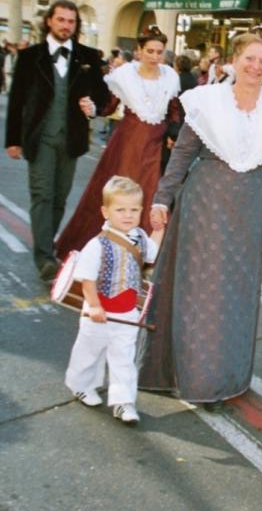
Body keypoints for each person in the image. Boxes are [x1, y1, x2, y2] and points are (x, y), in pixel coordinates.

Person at [138, 33, 262, 411]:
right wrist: (162, 197)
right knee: (200, 291)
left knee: (234, 294)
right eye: (249, 58)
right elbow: (184, 154)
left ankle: (224, 375)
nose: (256, 67)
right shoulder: (207, 101)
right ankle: (194, 377)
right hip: (204, 204)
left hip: (247, 205)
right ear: (234, 60)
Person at [5, 0, 110, 281]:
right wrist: (12, 139)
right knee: (42, 194)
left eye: (71, 21)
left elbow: (102, 95)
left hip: (72, 139)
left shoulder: (88, 57)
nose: (66, 25)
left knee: (60, 198)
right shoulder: (30, 57)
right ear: (49, 21)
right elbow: (17, 101)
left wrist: (95, 107)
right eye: (61, 19)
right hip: (40, 137)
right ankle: (44, 257)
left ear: (76, 26)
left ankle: (46, 245)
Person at [55, 26, 180, 261]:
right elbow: (109, 107)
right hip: (127, 145)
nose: (155, 57)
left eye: (159, 52)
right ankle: (110, 255)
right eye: (150, 51)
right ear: (139, 51)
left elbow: (174, 113)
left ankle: (146, 257)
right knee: (120, 197)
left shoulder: (170, 77)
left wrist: (174, 133)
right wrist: (92, 109)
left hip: (155, 148)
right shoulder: (124, 75)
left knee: (152, 198)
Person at [65, 176, 164, 424]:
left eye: (134, 210)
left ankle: (123, 402)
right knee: (89, 353)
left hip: (127, 314)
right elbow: (87, 279)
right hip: (98, 314)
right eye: (120, 210)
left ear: (141, 210)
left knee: (124, 359)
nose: (128, 215)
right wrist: (95, 305)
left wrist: (159, 230)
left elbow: (151, 252)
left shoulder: (140, 237)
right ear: (105, 211)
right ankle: (81, 385)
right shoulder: (97, 245)